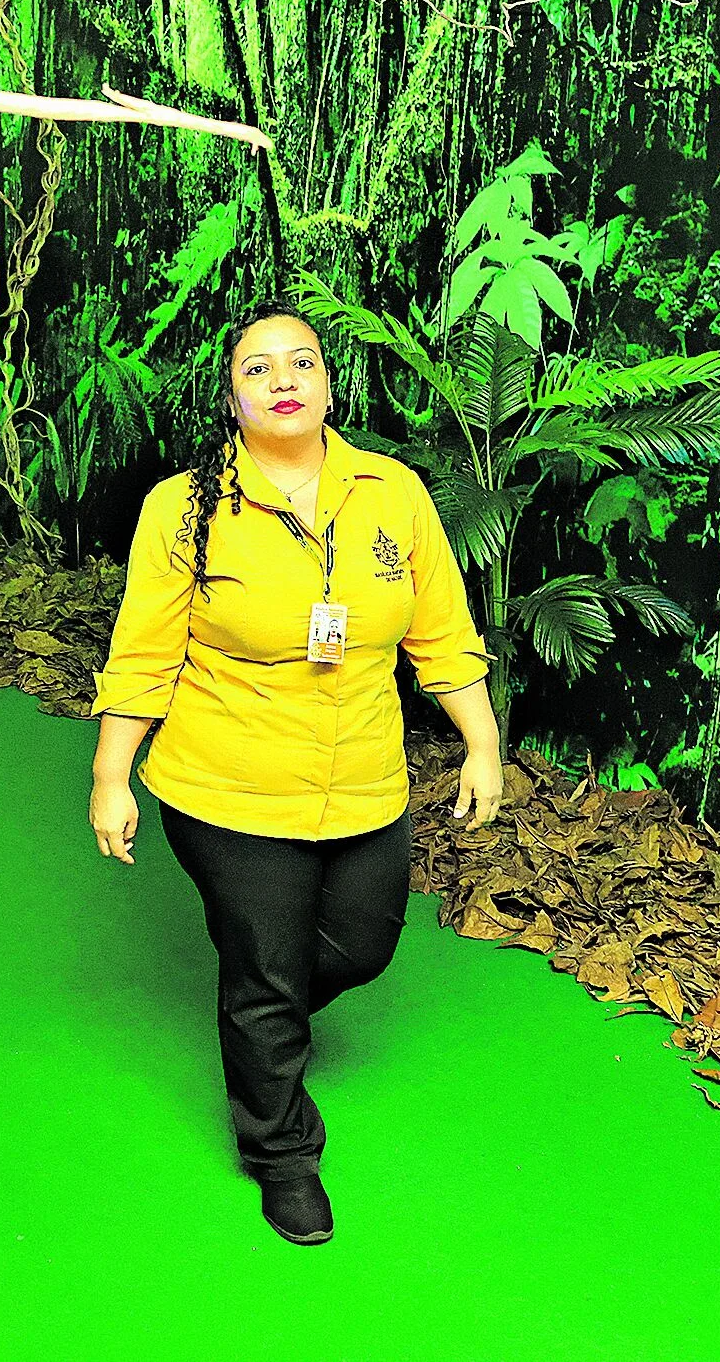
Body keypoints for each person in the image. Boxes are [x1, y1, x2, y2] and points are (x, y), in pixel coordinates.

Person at [87, 297, 505, 1246]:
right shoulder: (183, 509)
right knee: (271, 971)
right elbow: (143, 656)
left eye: (301, 362)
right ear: (231, 397)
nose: (283, 379)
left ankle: (254, 1015)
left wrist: (482, 744)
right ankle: (281, 1149)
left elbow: (441, 632)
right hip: (226, 785)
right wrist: (113, 774)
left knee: (362, 947)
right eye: (257, 368)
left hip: (362, 778)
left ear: (327, 382)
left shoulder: (393, 493)